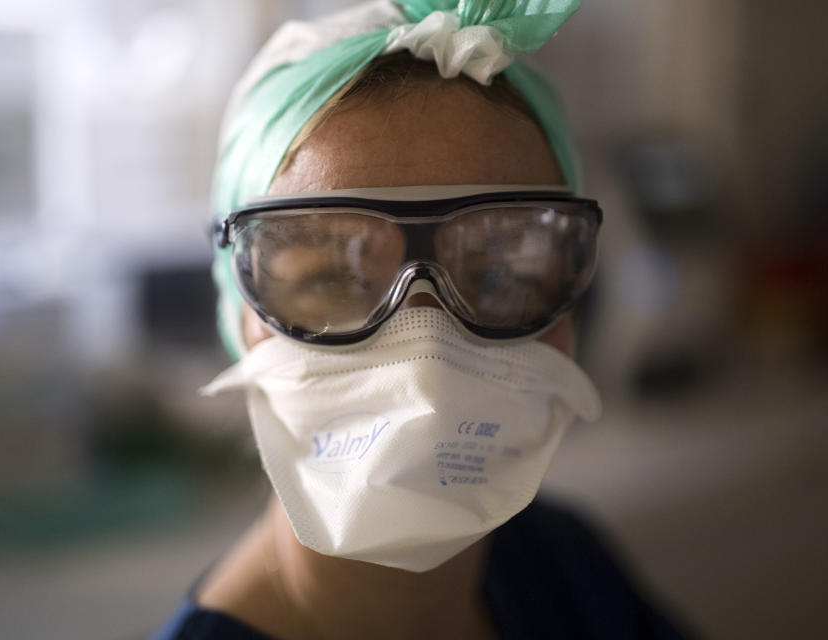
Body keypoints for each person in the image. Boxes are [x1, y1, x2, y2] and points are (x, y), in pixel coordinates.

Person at [155, 2, 691, 638]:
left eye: (502, 275)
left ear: (570, 314)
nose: (425, 360)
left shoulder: (560, 564)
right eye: (332, 279)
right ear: (239, 317)